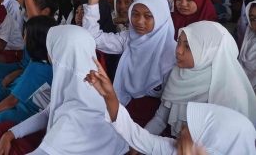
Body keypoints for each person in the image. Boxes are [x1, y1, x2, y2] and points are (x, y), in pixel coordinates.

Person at [0, 25, 128, 155]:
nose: (48, 52)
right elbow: (48, 113)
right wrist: (11, 134)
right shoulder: (84, 83)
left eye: (52, 47)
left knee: (9, 144)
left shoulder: (78, 107)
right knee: (5, 130)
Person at [86, 60, 256, 155]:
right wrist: (109, 96)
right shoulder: (174, 149)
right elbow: (135, 135)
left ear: (208, 144)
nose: (181, 127)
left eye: (192, 128)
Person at [84, 0, 176, 127]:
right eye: (135, 14)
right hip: (123, 107)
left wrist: (143, 138)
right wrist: (93, 2)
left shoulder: (173, 55)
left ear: (161, 18)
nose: (139, 21)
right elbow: (93, 38)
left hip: (153, 119)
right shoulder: (129, 38)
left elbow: (165, 111)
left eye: (148, 16)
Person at [141, 21, 256, 137]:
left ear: (208, 53)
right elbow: (161, 118)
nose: (178, 50)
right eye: (178, 43)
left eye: (188, 46)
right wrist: (142, 139)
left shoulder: (229, 94)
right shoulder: (179, 73)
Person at [0, 16, 55, 142]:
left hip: (35, 111)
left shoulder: (41, 67)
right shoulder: (41, 57)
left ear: (34, 40)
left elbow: (12, 101)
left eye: (25, 35)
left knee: (5, 115)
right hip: (23, 99)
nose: (23, 39)